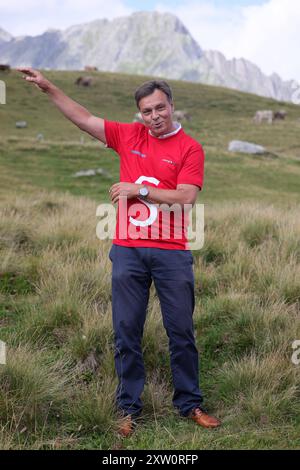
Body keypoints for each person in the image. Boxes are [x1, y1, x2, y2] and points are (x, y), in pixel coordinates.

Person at [17, 68, 221, 436]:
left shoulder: (190, 148)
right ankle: (128, 409)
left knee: (182, 331)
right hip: (127, 251)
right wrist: (48, 87)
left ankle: (189, 403)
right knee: (126, 331)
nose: (155, 116)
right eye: (147, 111)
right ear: (139, 114)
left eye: (160, 108)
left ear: (171, 106)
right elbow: (83, 118)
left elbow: (186, 198)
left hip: (172, 253)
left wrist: (137, 190)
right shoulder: (128, 136)